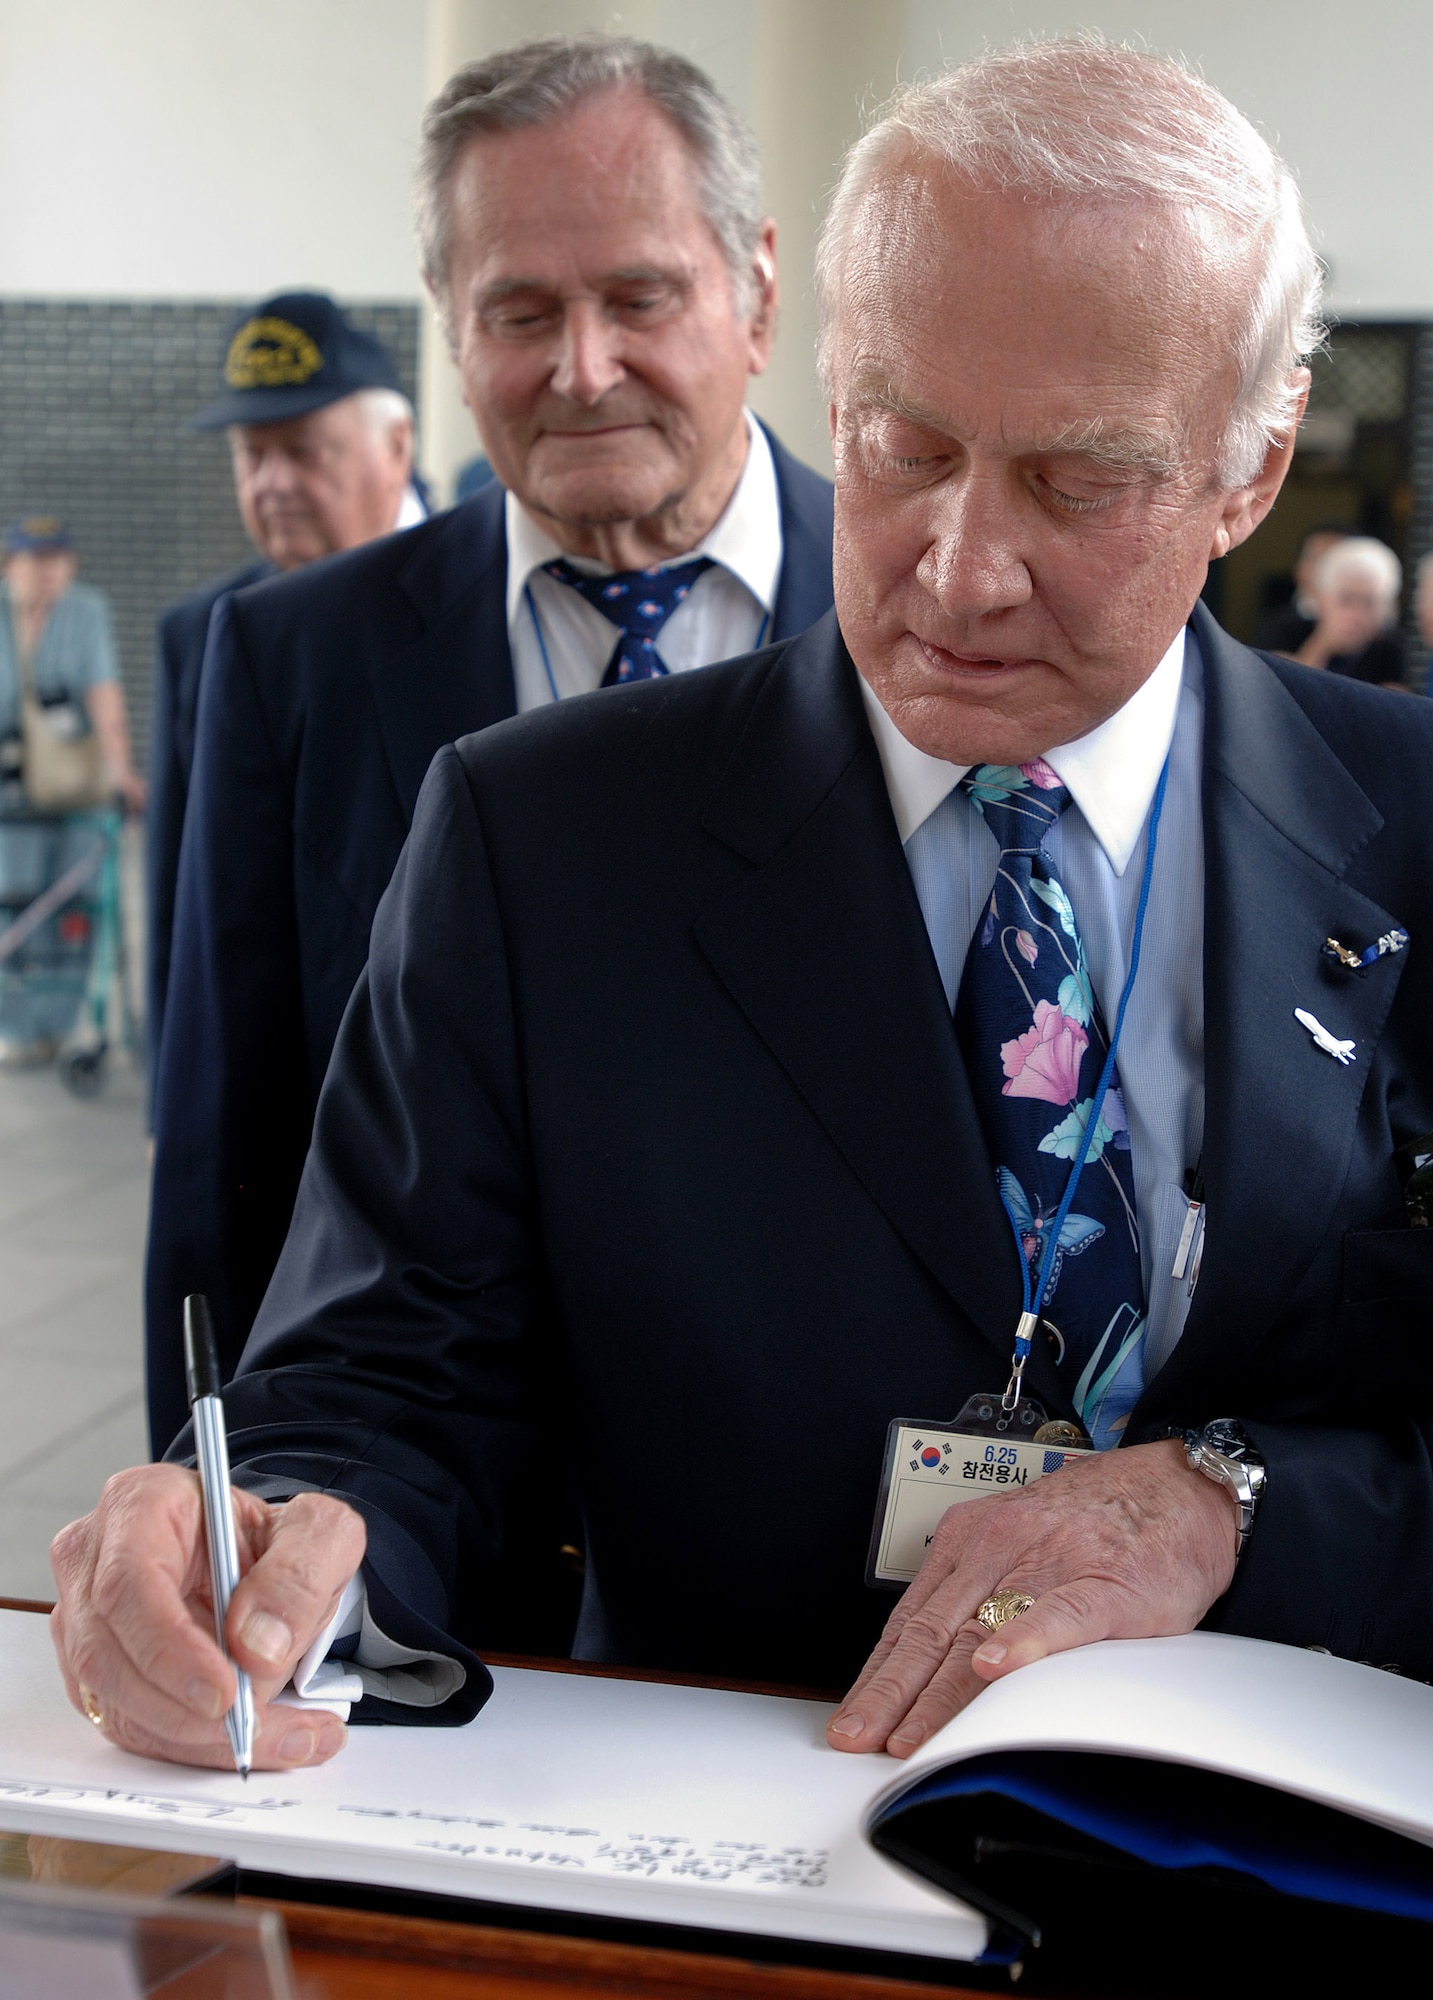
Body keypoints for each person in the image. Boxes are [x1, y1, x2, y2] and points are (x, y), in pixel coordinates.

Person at [58, 36, 1433, 1781]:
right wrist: (266, 1536)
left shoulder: (1408, 831)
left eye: (1076, 482)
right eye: (900, 444)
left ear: (1250, 468)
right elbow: (386, 1377)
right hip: (731, 1839)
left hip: (1289, 1852)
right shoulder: (536, 836)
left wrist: (1242, 1507)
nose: (957, 567)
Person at [142, 35, 835, 1455]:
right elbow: (229, 1156)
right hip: (423, 1521)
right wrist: (210, 1508)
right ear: (450, 325)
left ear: (758, 293)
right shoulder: (295, 660)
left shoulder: (925, 618)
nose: (584, 372)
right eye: (519, 312)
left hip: (824, 1533)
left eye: (640, 297)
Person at [146, 294, 422, 1070]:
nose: (272, 482)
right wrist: (169, 1097)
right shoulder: (199, 634)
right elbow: (181, 898)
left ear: (396, 445)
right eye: (250, 454)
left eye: (303, 450)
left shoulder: (501, 593)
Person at [0, 518, 144, 1064]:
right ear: (10, 563)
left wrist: (122, 772)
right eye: (34, 559)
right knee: (14, 901)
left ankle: (58, 1024)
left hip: (74, 783)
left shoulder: (87, 611)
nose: (46, 571)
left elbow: (105, 697)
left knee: (74, 906)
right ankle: (15, 1026)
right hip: (9, 789)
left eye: (57, 558)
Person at [1292, 535, 1408, 687]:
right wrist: (1321, 645)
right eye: (1346, 599)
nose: (1356, 613)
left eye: (1369, 603)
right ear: (1321, 597)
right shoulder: (1290, 630)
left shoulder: (1391, 649)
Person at [1253, 522, 1350, 654]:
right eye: (1317, 560)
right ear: (1299, 570)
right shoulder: (1278, 627)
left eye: (1335, 563)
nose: (1324, 572)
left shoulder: (1375, 629)